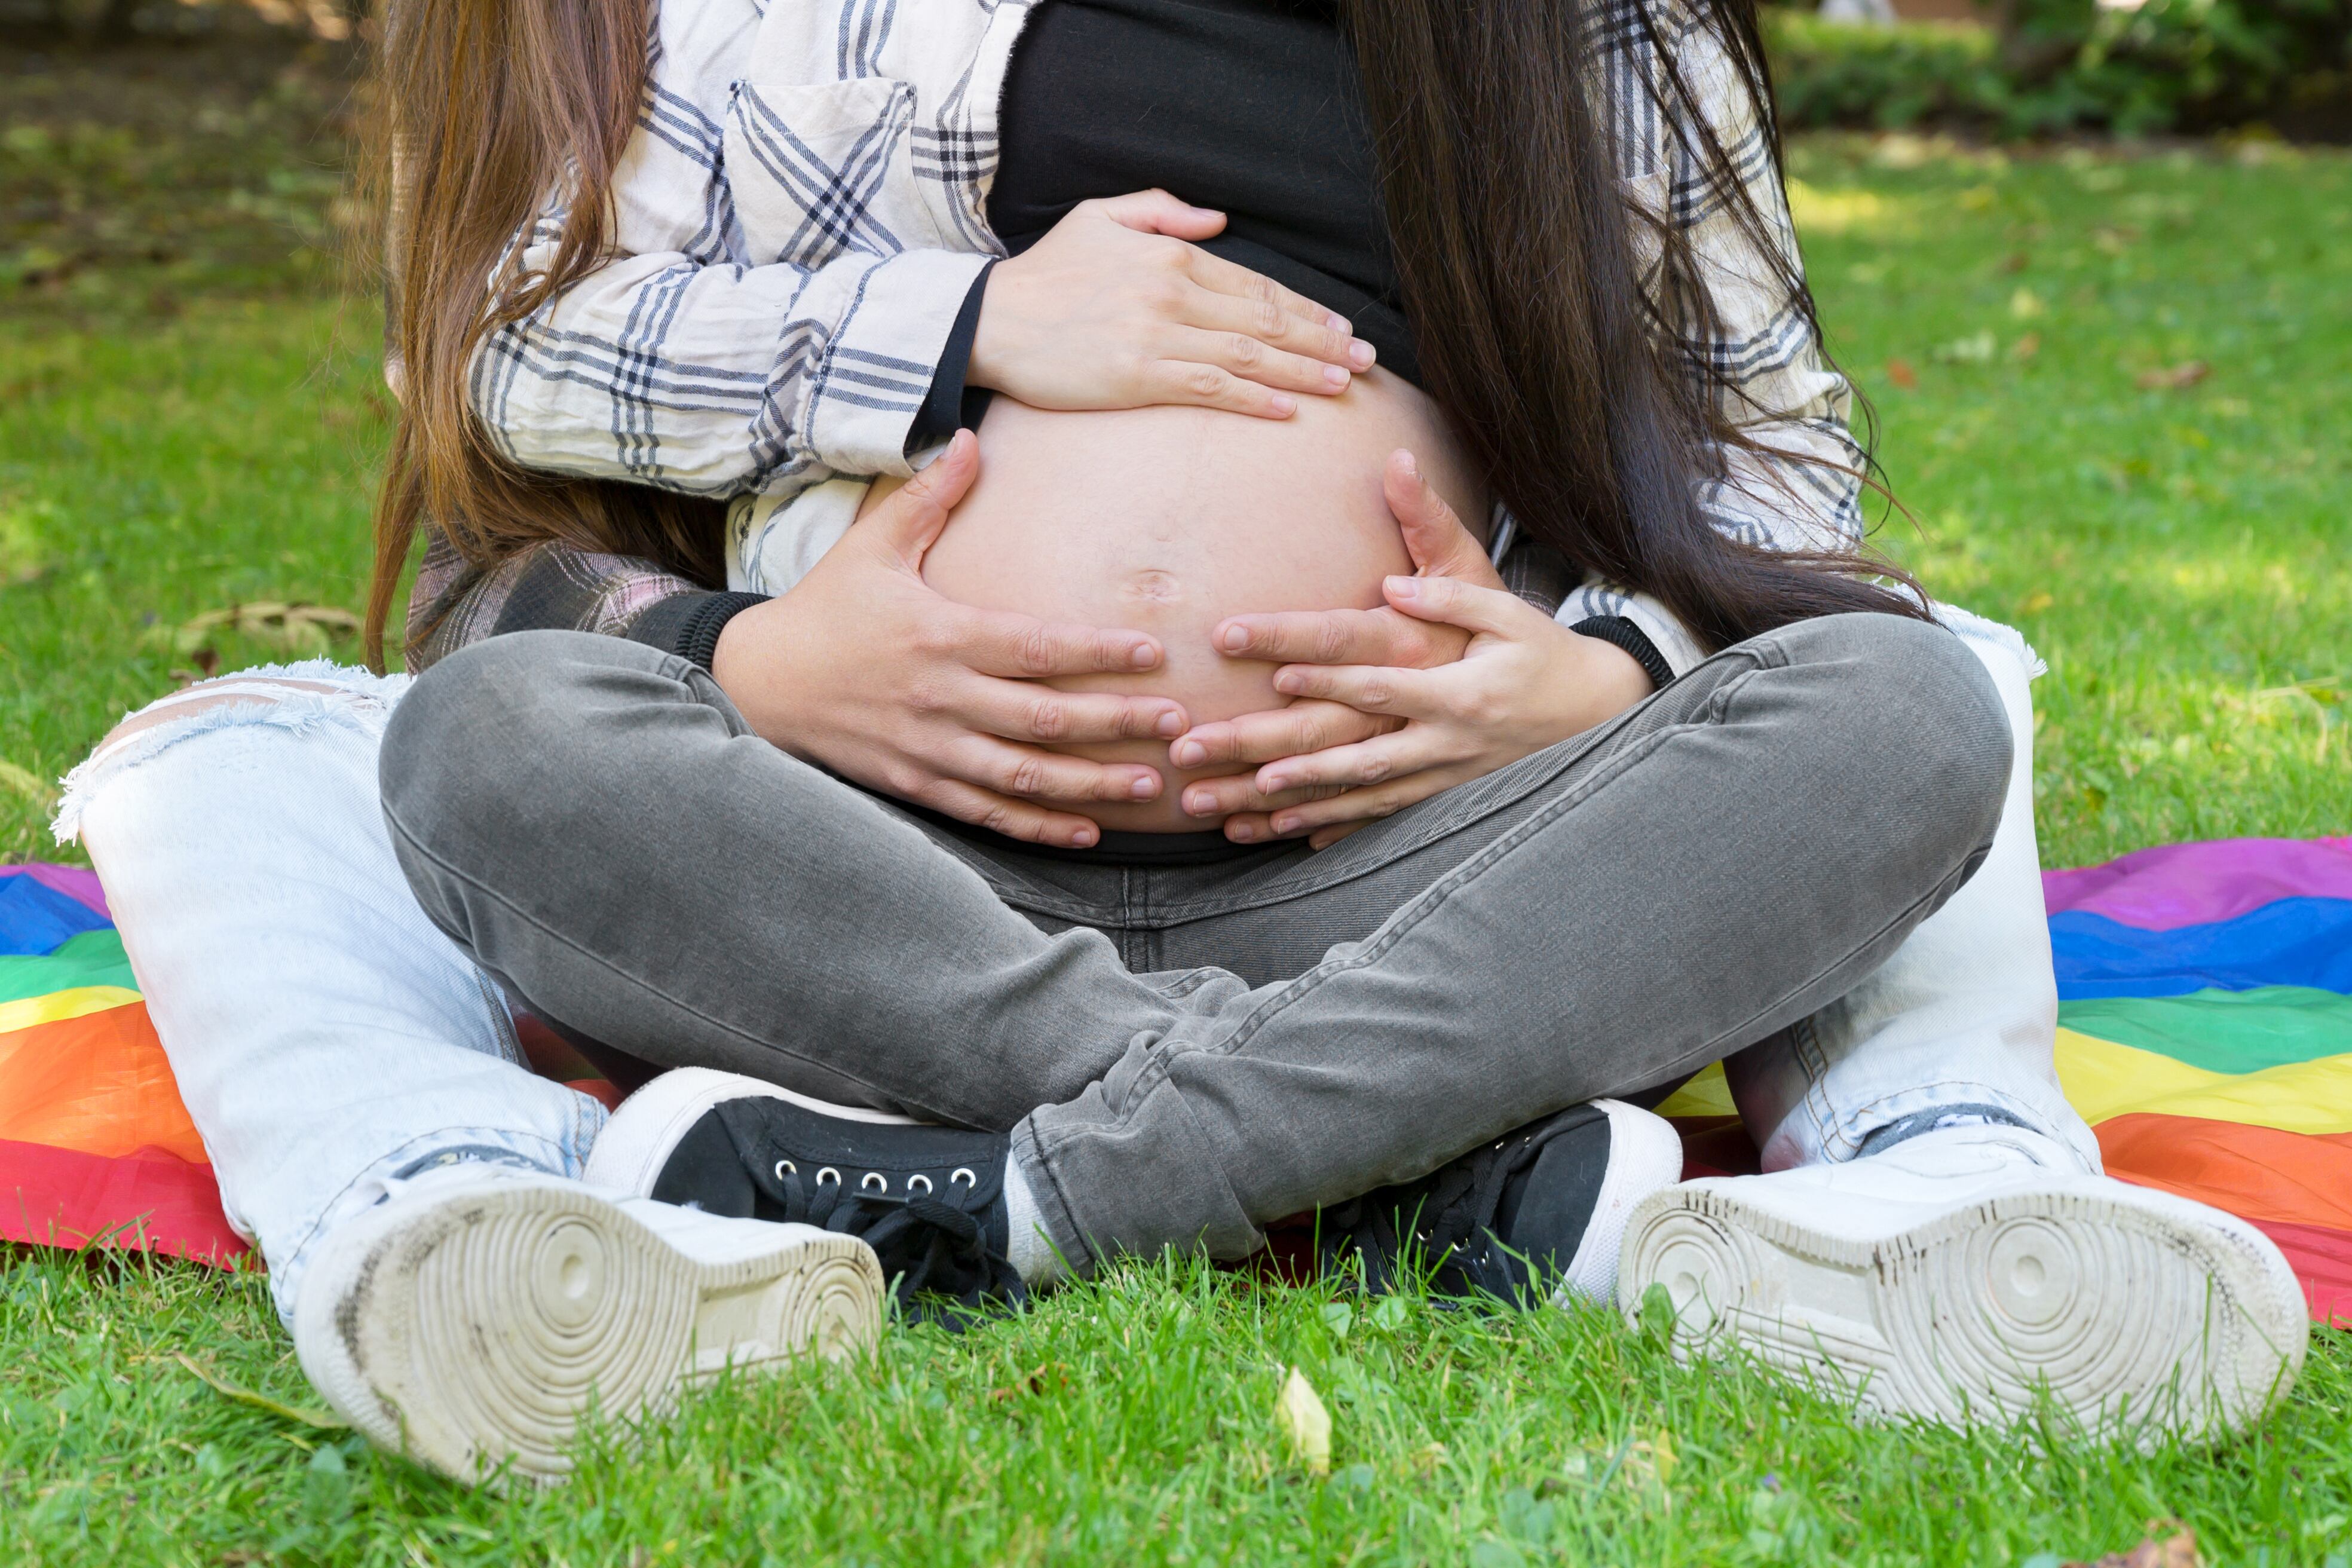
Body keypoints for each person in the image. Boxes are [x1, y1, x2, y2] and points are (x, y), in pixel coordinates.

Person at [61, 0, 2304, 1486]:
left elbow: (1782, 460)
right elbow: (512, 358)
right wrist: (933, 357)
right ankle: (1414, 1163)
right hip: (879, 862)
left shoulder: (1586, 26)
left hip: (1418, 854)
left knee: (1908, 704)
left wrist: (1603, 674)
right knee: (496, 738)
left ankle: (1022, 1200)